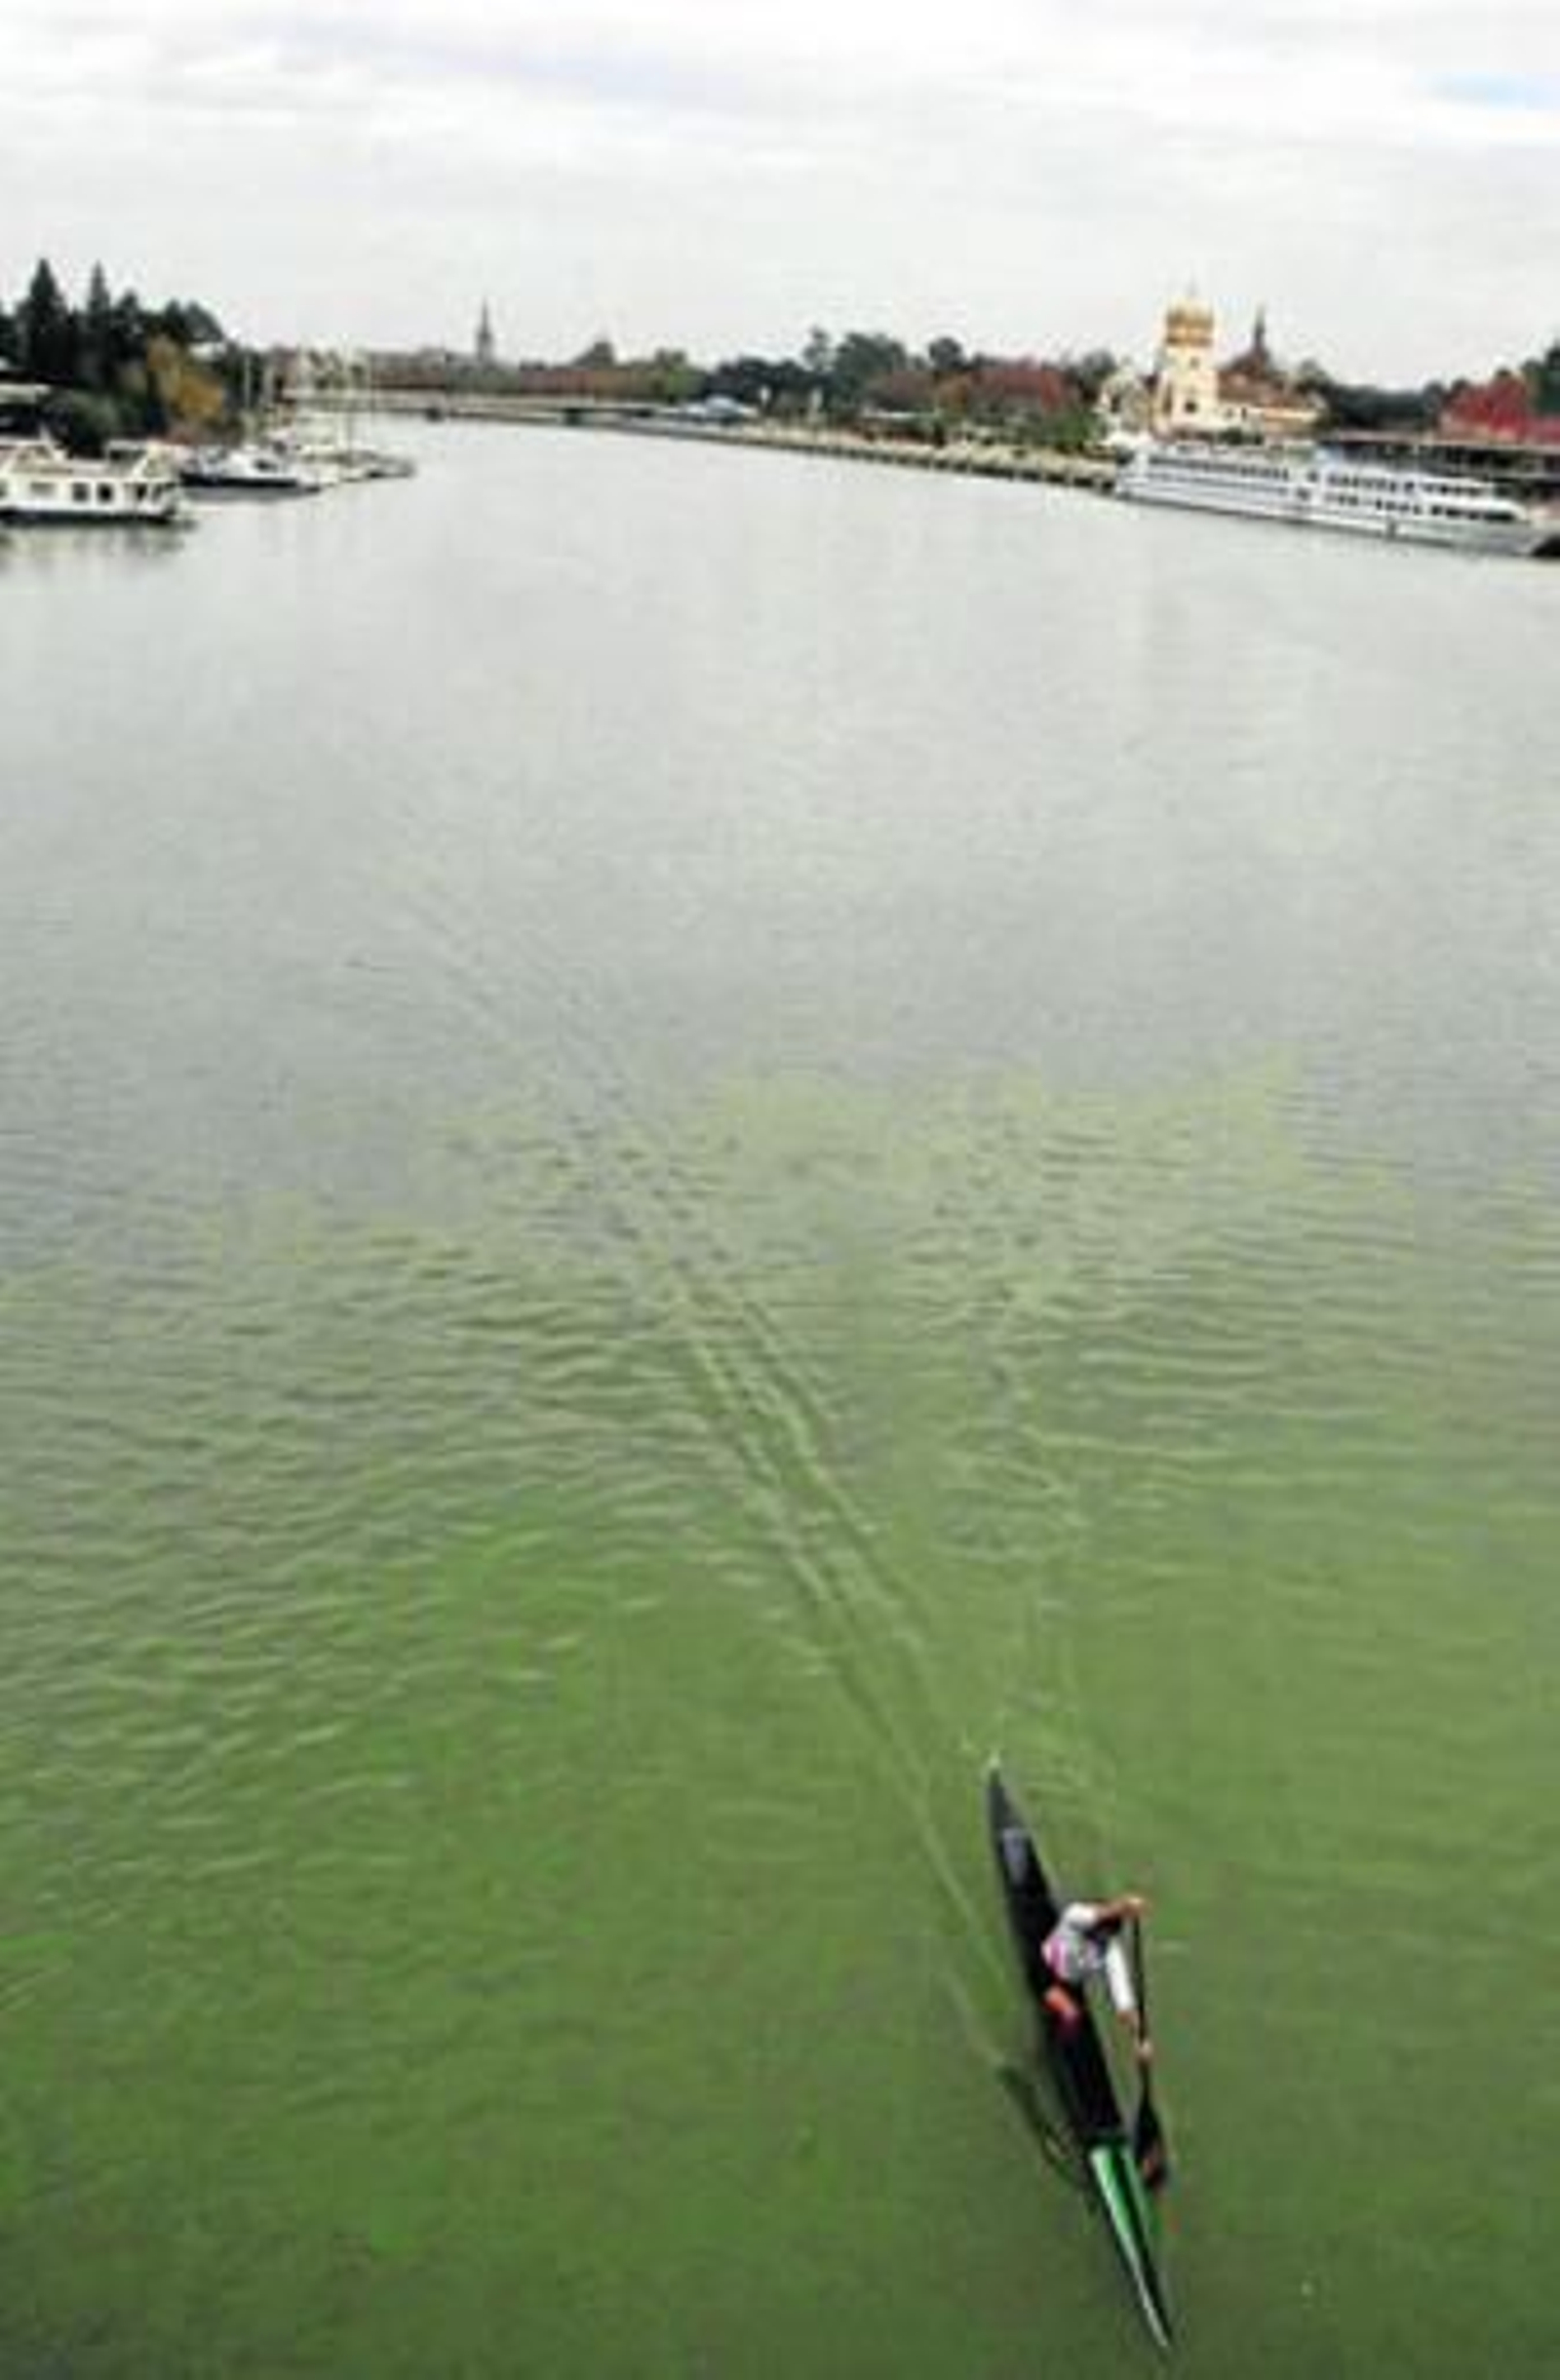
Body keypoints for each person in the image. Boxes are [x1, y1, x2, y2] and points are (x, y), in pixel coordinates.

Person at [1040, 1893, 1152, 2063]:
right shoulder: (1077, 1914)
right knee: (1070, 2013)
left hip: (1069, 1985)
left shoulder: (1112, 1953)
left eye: (1104, 1939)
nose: (1098, 1942)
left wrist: (1139, 2038)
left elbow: (1124, 2005)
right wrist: (1126, 1905)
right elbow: (1105, 1912)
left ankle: (1052, 2045)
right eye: (1096, 1935)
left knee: (1073, 2025)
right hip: (1044, 1966)